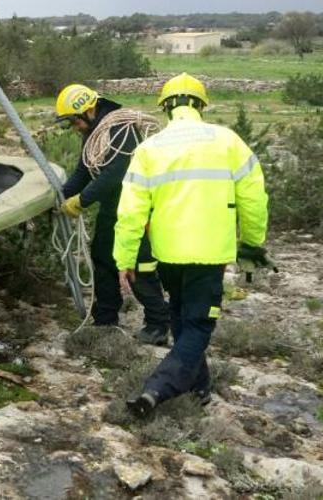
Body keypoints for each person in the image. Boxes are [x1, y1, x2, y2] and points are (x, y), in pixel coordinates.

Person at [113, 73, 269, 417]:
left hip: (168, 253)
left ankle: (200, 390)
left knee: (181, 316)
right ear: (201, 105)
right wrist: (251, 246)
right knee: (197, 325)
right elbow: (254, 200)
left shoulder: (148, 149)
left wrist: (124, 258)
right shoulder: (228, 141)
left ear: (166, 108)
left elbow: (130, 213)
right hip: (210, 253)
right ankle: (156, 390)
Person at [55, 84, 170, 344]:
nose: (74, 128)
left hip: (138, 209)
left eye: (74, 121)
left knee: (138, 265)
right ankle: (106, 318)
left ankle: (158, 324)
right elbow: (84, 171)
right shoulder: (94, 132)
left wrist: (81, 201)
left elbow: (115, 174)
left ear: (88, 110)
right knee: (103, 257)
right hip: (112, 208)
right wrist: (60, 195)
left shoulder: (121, 129)